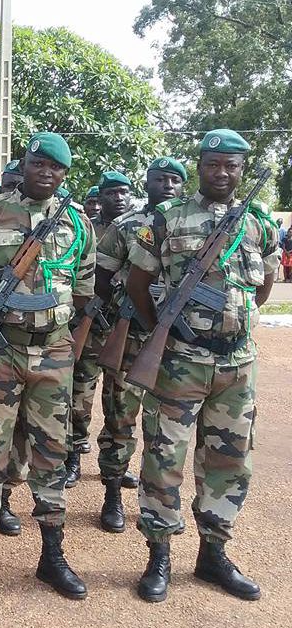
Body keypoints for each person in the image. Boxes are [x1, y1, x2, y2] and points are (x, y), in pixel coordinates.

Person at [126, 129, 276, 603]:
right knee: (164, 458)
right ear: (200, 165)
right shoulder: (168, 218)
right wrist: (169, 330)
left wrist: (237, 326)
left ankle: (214, 554)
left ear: (241, 170)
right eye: (214, 163)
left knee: (229, 463)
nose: (223, 172)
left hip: (237, 365)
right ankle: (159, 557)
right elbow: (137, 283)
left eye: (232, 165)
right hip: (180, 363)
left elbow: (266, 281)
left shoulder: (257, 222)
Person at [0, 132, 94, 599]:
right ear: (25, 163)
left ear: (64, 174)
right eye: (38, 164)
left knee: (52, 455)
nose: (46, 173)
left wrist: (65, 342)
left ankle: (52, 556)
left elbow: (86, 288)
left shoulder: (77, 221)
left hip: (53, 354)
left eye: (55, 168)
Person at [92, 157, 187, 535]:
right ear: (145, 183)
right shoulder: (125, 227)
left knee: (166, 430)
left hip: (180, 345)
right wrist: (120, 315)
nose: (167, 185)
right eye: (159, 179)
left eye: (175, 180)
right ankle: (112, 496)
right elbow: (100, 279)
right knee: (119, 420)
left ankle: (159, 505)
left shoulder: (192, 225)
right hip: (131, 338)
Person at [66, 170, 133, 488]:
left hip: (125, 327)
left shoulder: (138, 230)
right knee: (79, 395)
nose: (118, 198)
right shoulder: (85, 228)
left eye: (124, 192)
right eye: (112, 193)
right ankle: (74, 457)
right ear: (101, 197)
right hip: (90, 324)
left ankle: (117, 467)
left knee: (120, 401)